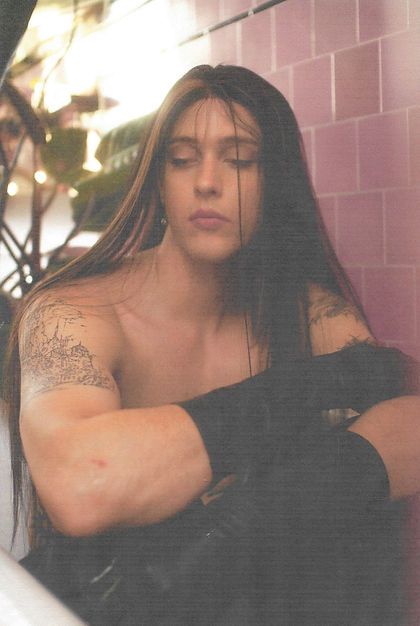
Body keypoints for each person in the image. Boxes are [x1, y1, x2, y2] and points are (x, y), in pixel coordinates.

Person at [4, 64, 420, 624]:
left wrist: (242, 529)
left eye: (240, 159)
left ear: (275, 179)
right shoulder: (74, 314)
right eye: (181, 159)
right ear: (157, 177)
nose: (206, 181)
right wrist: (315, 384)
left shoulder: (312, 313)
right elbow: (84, 484)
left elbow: (409, 426)